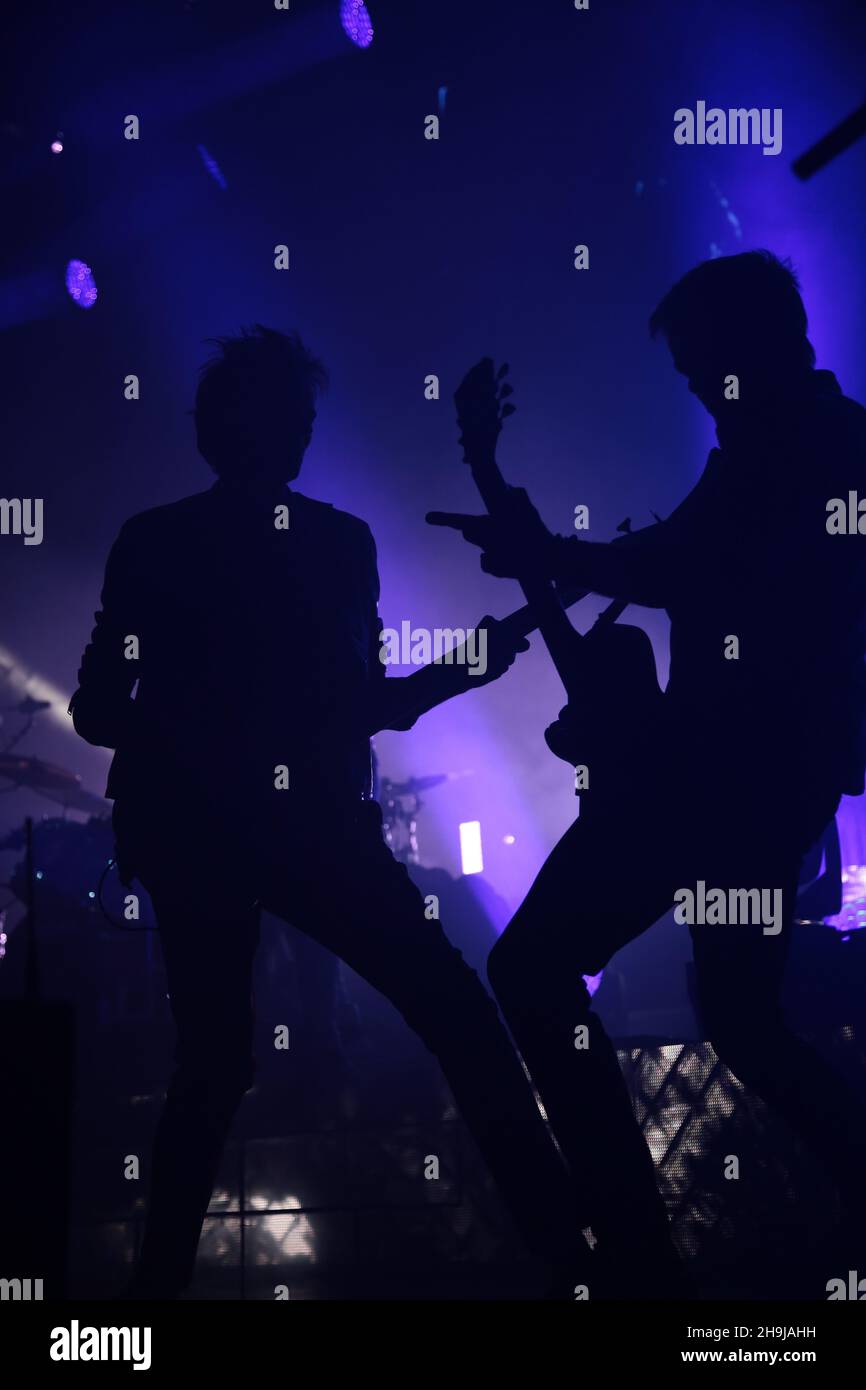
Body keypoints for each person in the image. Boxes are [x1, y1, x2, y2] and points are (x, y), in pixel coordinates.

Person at [70, 325, 590, 1299]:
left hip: (199, 833)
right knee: (455, 1015)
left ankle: (150, 1301)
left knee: (213, 1068)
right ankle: (568, 1253)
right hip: (314, 831)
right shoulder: (340, 546)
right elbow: (369, 705)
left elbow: (99, 708)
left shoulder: (154, 541)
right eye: (298, 421)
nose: (305, 436)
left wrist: (187, 735)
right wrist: (465, 667)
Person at [428, 251, 866, 1296]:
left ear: (748, 348)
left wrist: (537, 537)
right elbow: (676, 562)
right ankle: (642, 1253)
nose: (691, 388)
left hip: (716, 778)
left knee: (538, 973)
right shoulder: (797, 439)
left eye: (698, 365)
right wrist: (532, 532)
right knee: (743, 1022)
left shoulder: (803, 448)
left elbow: (677, 566)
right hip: (742, 779)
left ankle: (633, 1250)